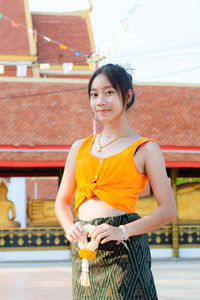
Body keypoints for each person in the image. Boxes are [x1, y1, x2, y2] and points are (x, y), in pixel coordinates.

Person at [55, 63, 177, 300]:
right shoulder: (78, 148)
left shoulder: (145, 149)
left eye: (109, 92)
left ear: (127, 95)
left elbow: (168, 210)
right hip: (85, 251)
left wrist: (122, 230)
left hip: (123, 252)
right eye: (94, 94)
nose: (100, 101)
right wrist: (70, 227)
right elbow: (61, 202)